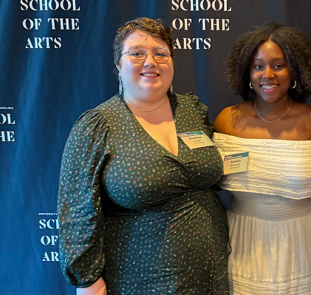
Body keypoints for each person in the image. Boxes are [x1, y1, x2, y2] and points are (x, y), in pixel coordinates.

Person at [57, 17, 229, 294]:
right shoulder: (98, 125)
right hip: (136, 281)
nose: (150, 61)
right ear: (118, 65)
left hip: (209, 276)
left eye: (161, 54)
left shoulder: (192, 110)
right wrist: (88, 282)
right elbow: (77, 213)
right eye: (137, 53)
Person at [213, 23, 311, 294]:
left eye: (278, 65)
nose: (267, 75)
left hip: (303, 241)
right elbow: (212, 182)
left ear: (294, 70)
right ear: (247, 72)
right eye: (258, 66)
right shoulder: (227, 121)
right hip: (245, 240)